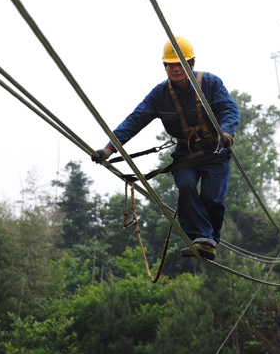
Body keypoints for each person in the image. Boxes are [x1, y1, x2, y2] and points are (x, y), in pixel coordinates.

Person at [92, 37, 239, 260]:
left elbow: (229, 109)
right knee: (186, 184)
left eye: (180, 63)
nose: (176, 69)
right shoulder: (160, 95)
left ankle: (209, 240)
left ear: (192, 63)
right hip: (186, 155)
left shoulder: (211, 84)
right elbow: (135, 120)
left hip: (215, 152)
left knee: (212, 198)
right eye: (170, 64)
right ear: (165, 67)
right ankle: (203, 239)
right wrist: (109, 149)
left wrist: (226, 133)